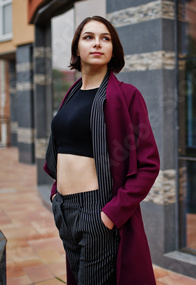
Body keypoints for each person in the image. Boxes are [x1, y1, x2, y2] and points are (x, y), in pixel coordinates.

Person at [43, 16, 160, 284]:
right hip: (65, 210)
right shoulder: (71, 94)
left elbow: (149, 164)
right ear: (76, 49)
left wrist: (109, 215)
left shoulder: (127, 95)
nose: (97, 43)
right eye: (89, 37)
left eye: (105, 38)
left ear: (113, 49)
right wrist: (55, 196)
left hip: (97, 212)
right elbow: (61, 149)